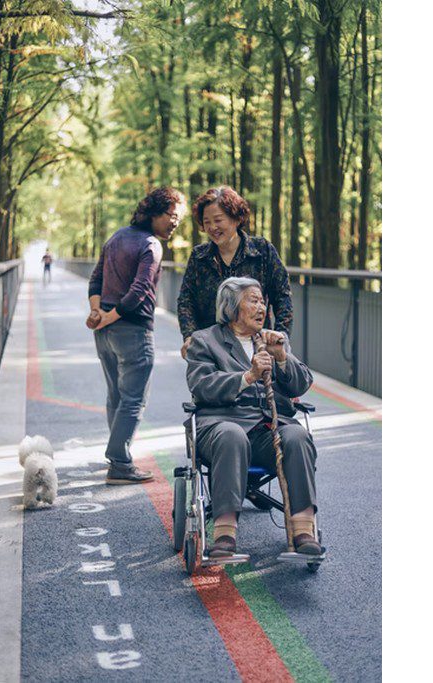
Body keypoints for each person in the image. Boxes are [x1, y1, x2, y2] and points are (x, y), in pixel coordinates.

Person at [185, 277, 321, 557]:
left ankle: (304, 529)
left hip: (267, 429)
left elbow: (300, 384)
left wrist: (282, 356)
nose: (261, 307)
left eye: (262, 301)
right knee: (231, 435)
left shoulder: (272, 340)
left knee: (296, 435)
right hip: (221, 425)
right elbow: (201, 385)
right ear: (232, 307)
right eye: (253, 300)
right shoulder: (205, 340)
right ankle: (224, 534)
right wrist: (248, 377)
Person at [87, 187, 188, 484]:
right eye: (172, 216)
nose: (174, 223)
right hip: (132, 330)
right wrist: (111, 314)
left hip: (104, 332)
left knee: (116, 396)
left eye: (178, 220)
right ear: (155, 212)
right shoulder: (151, 245)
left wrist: (97, 313)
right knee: (133, 400)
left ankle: (117, 454)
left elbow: (96, 280)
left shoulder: (116, 237)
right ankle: (119, 462)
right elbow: (140, 290)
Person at [177, 186, 293, 359]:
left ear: (236, 218)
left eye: (218, 220)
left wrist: (280, 336)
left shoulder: (262, 251)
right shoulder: (199, 256)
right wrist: (189, 336)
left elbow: (282, 296)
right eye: (206, 222)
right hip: (211, 348)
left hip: (255, 348)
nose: (212, 227)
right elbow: (186, 301)